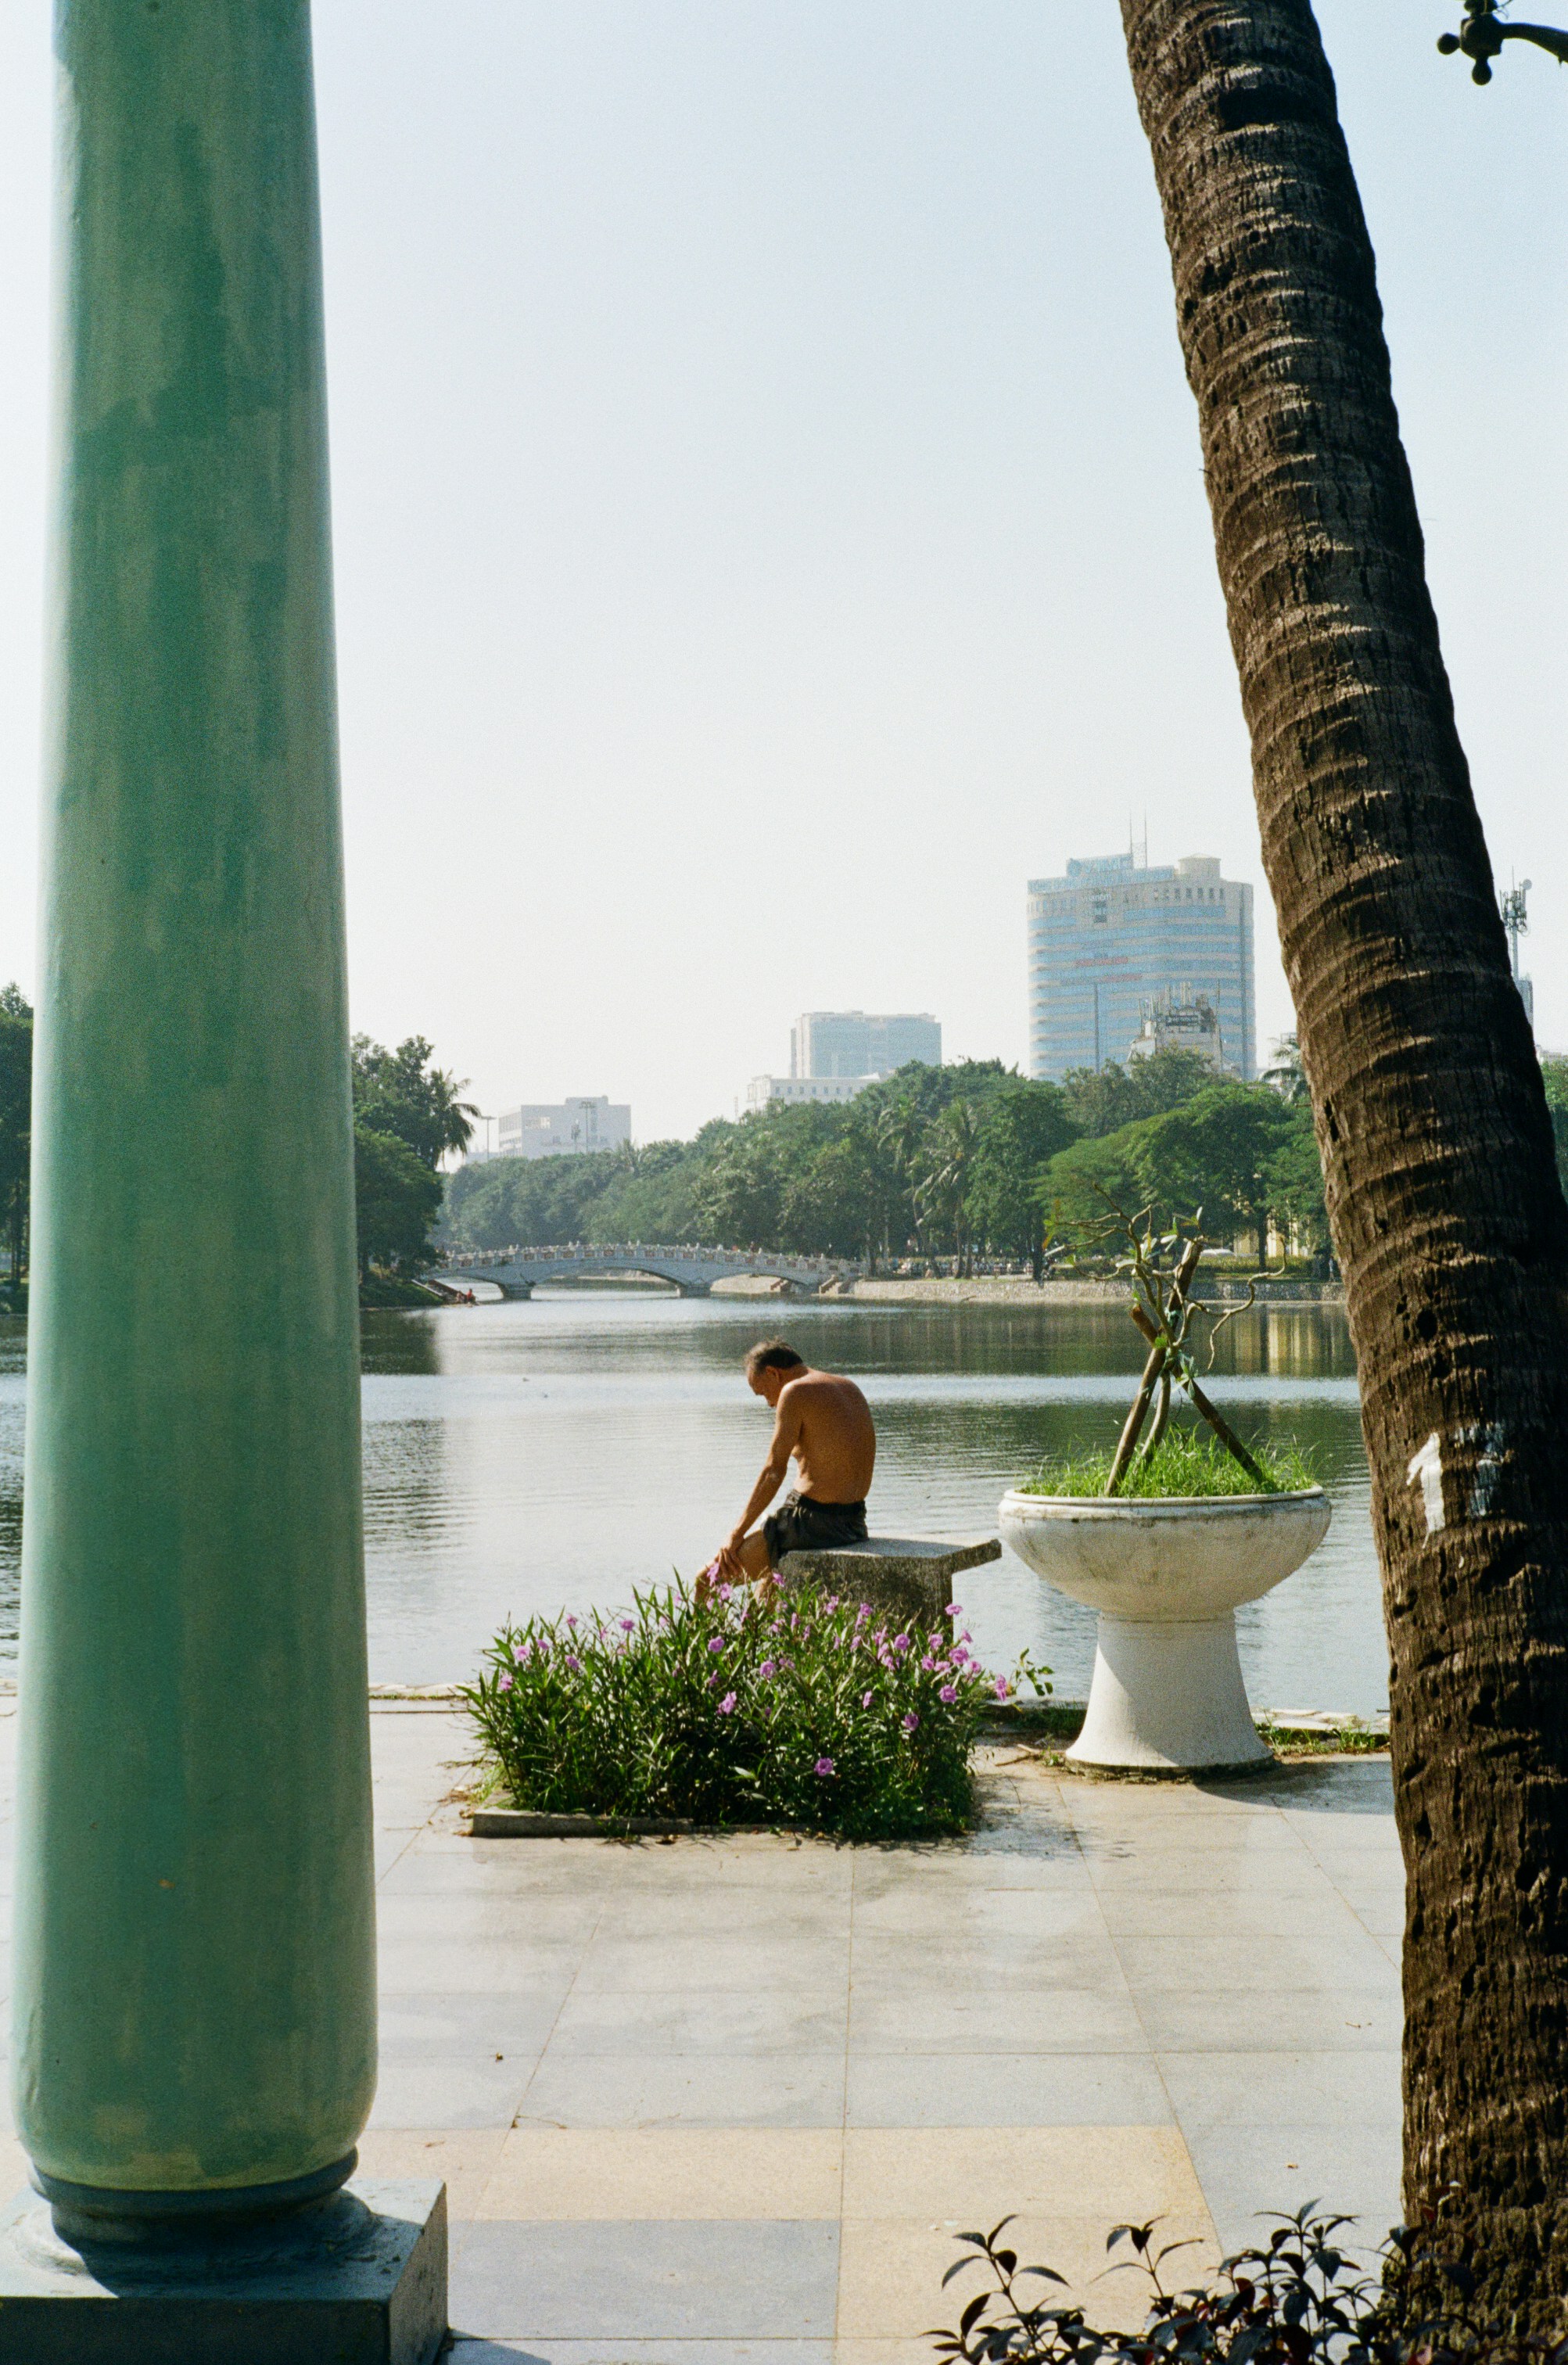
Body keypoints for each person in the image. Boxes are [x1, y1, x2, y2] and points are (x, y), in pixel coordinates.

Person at [698, 1340, 876, 1600]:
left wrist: (736, 1534)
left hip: (810, 1524)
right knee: (760, 1606)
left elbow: (773, 1471)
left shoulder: (795, 1392)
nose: (770, 1404)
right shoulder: (848, 1386)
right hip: (853, 1521)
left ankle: (704, 1642)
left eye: (763, 1393)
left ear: (773, 1373)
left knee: (705, 1582)